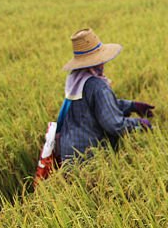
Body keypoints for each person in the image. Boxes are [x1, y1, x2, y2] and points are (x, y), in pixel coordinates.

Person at [55, 28, 154, 163]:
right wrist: (139, 124)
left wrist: (131, 105)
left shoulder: (76, 81)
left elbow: (98, 106)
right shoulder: (98, 86)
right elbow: (114, 125)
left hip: (68, 154)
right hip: (88, 157)